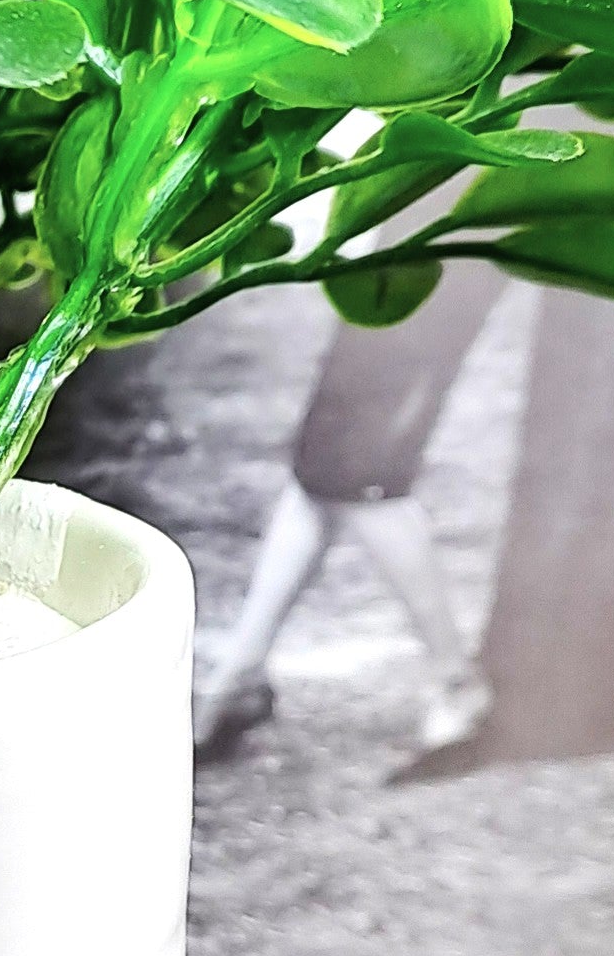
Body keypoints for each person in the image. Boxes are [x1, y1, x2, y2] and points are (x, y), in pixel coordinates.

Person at [194, 264, 501, 760]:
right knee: (321, 462)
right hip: (400, 237)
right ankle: (239, 676)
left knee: (365, 473)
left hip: (443, 241)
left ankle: (457, 681)